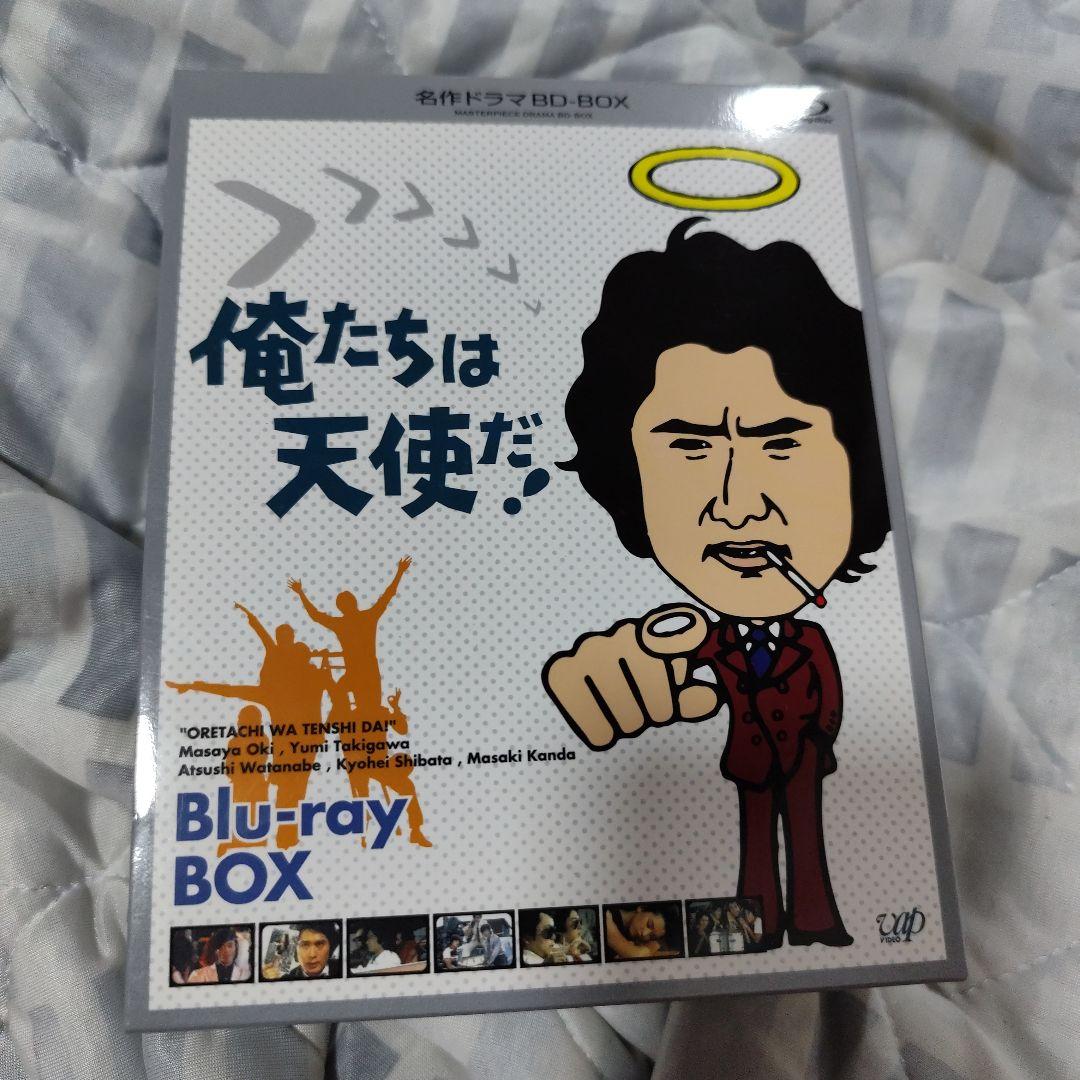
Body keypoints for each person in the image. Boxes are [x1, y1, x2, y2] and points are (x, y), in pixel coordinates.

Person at [545, 221, 891, 949]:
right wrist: (608, 680)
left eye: (781, 443)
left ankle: (817, 918)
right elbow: (650, 667)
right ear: (629, 473)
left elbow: (828, 698)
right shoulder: (694, 640)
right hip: (748, 765)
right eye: (691, 446)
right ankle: (754, 927)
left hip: (805, 764)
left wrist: (822, 740)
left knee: (810, 845)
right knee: (752, 851)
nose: (737, 506)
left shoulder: (815, 636)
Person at [288, 557, 411, 717]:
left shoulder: (347, 622)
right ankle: (339, 719)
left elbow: (316, 615)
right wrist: (400, 572)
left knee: (357, 705)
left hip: (361, 674)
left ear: (343, 607)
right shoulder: (366, 617)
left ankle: (339, 719)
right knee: (356, 703)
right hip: (365, 673)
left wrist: (301, 593)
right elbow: (387, 596)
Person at [604, 906, 679, 960]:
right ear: (641, 908)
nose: (644, 934)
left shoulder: (632, 941)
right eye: (649, 925)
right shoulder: (608, 913)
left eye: (651, 936)